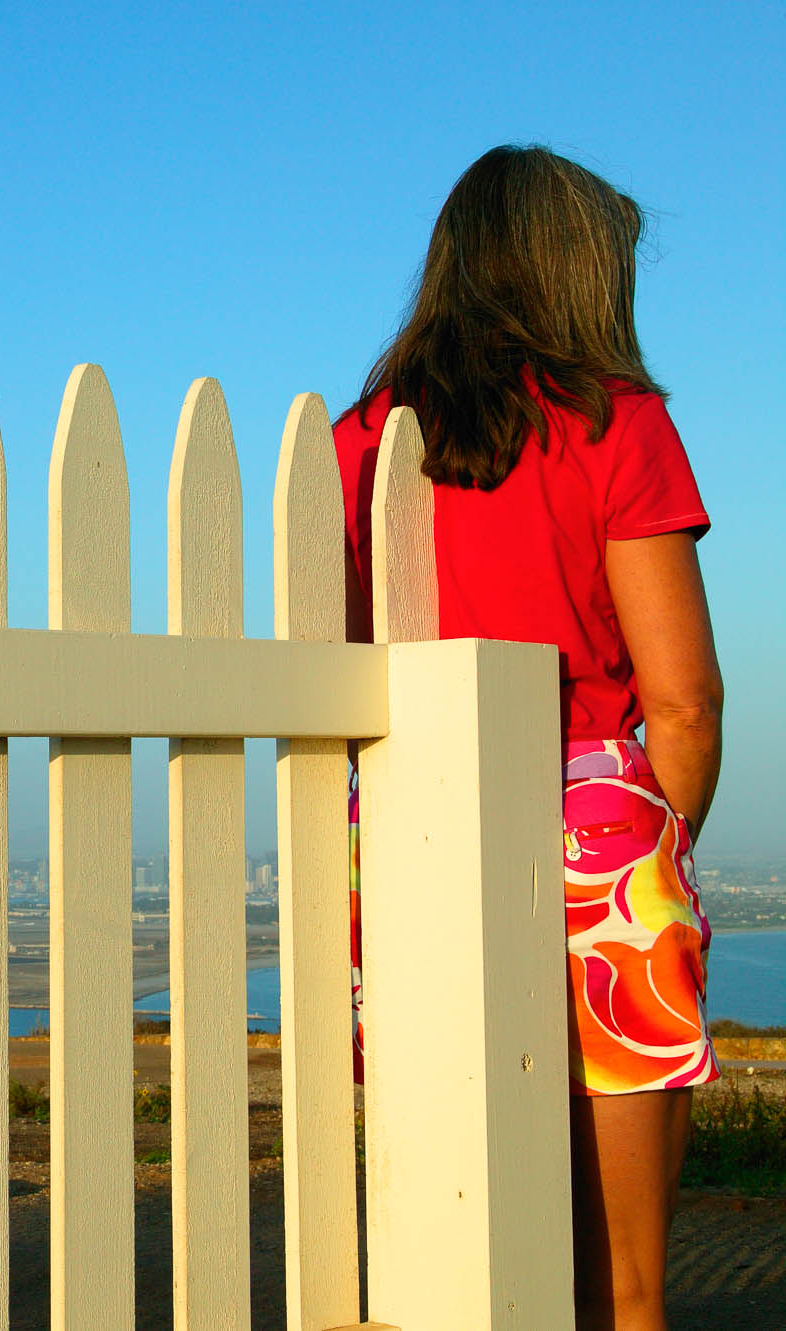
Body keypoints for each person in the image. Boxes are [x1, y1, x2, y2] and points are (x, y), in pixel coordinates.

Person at [333, 144, 724, 1331]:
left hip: (407, 836)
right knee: (623, 1286)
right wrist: (656, 835)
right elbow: (685, 700)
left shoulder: (361, 440)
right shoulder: (615, 423)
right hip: (594, 818)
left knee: (452, 1239)